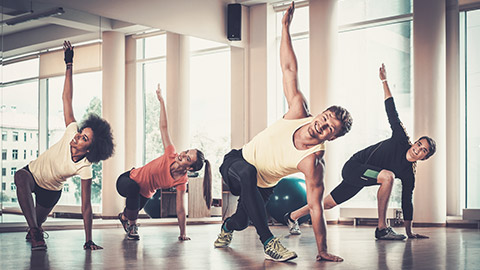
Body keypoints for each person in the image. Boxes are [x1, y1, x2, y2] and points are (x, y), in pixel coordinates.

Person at [213, 2, 352, 262]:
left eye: (329, 129)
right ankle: (269, 242)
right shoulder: (299, 110)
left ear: (331, 138)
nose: (322, 125)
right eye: (325, 118)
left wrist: (321, 250)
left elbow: (316, 207)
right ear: (320, 113)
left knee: (241, 221)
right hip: (236, 163)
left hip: (262, 186)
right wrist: (285, 27)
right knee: (248, 170)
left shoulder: (313, 162)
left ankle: (226, 228)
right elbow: (289, 70)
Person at [284, 63, 436, 240]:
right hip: (355, 167)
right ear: (415, 142)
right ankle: (382, 229)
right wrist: (384, 81)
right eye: (419, 144)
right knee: (388, 176)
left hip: (363, 176)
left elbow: (407, 202)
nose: (418, 149)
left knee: (328, 203)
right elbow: (391, 111)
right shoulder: (401, 138)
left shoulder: (409, 173)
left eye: (423, 150)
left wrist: (409, 232)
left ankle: (292, 216)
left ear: (424, 157)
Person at [14, 41, 115, 251]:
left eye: (84, 139)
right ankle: (35, 233)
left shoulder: (84, 167)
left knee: (36, 223)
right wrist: (69, 65)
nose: (78, 137)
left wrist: (88, 240)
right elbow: (66, 98)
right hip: (32, 174)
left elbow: (86, 207)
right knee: (20, 177)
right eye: (81, 133)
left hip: (50, 192)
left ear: (90, 150)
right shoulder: (72, 130)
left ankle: (35, 229)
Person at [116, 84, 212, 241]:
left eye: (187, 158)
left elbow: (180, 209)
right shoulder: (170, 153)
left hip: (143, 195)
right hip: (127, 180)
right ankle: (133, 226)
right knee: (133, 189)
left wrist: (183, 234)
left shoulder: (182, 180)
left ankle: (124, 217)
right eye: (186, 152)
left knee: (130, 211)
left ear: (190, 168)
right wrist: (161, 101)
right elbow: (164, 127)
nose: (183, 154)